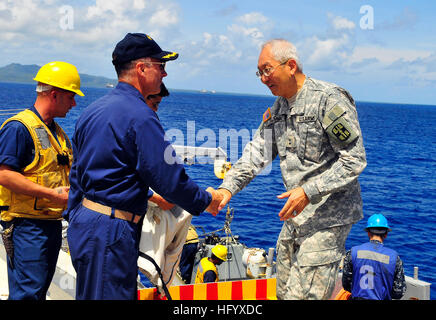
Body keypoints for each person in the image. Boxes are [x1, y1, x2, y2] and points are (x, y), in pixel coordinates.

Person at [64, 33, 223, 300]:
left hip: (86, 223)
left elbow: (78, 173)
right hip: (111, 230)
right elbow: (169, 179)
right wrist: (207, 200)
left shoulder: (93, 110)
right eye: (160, 66)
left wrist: (75, 216)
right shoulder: (141, 116)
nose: (164, 74)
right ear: (141, 68)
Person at [215, 39, 367, 300]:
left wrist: (308, 191)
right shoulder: (280, 108)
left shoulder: (327, 100)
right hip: (296, 218)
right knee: (283, 291)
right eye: (259, 72)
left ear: (291, 65)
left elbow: (354, 159)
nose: (263, 78)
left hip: (328, 219)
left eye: (267, 70)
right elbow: (257, 153)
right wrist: (225, 189)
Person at [0, 61, 83, 300]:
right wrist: (52, 194)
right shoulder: (19, 128)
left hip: (50, 224)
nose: (74, 104)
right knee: (28, 294)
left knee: (37, 291)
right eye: (71, 97)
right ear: (55, 95)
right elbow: (4, 174)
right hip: (27, 227)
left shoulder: (57, 133)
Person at [342, 214, 406, 300]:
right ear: (386, 234)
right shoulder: (394, 258)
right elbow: (398, 293)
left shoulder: (353, 252)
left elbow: (346, 284)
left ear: (368, 233)